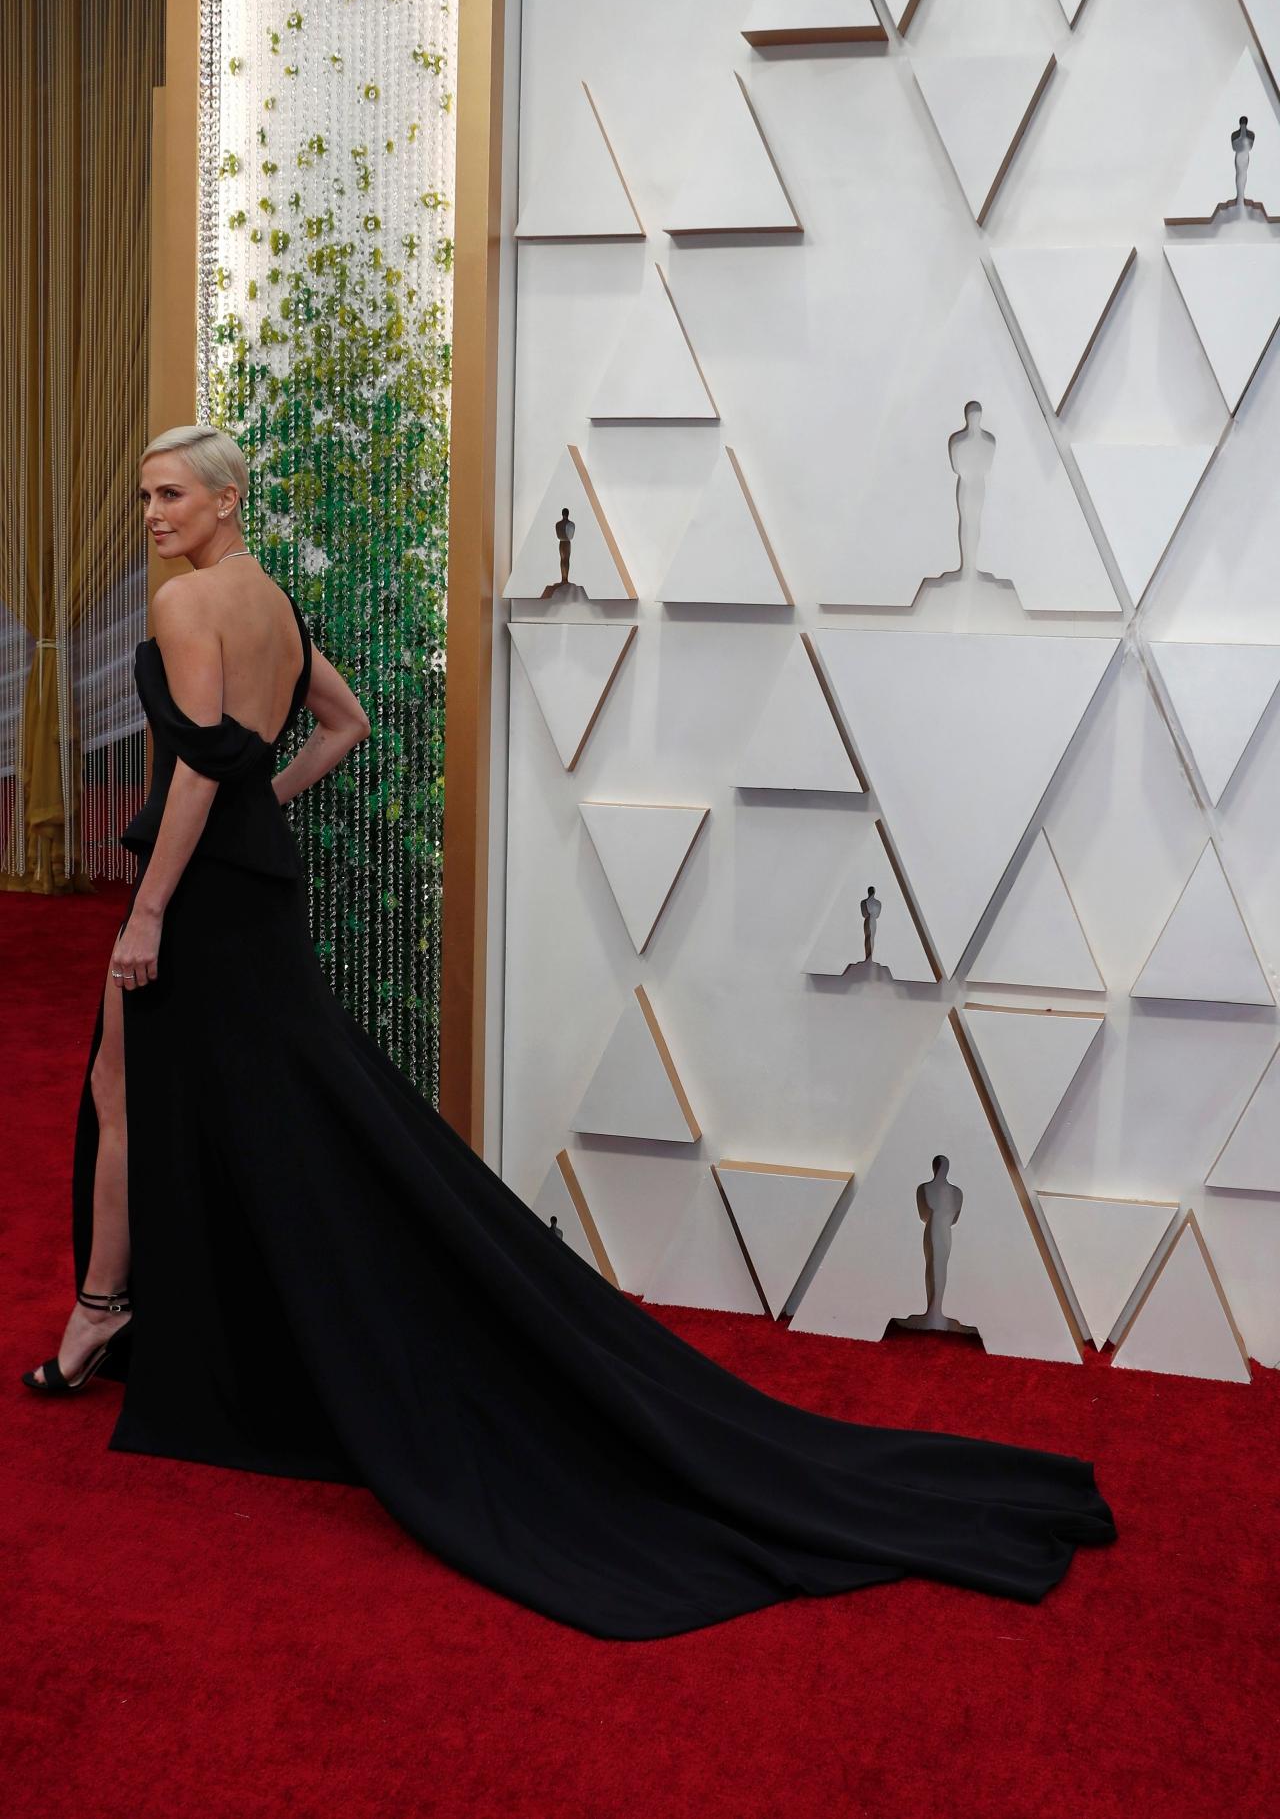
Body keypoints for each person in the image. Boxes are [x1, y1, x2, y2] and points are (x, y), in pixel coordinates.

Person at [22, 425, 1117, 1641]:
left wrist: (153, 905)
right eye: (144, 494)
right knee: (229, 1097)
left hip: (197, 896)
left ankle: (111, 1310)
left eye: (171, 493)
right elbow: (343, 722)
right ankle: (129, 1308)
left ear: (227, 499)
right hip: (252, 888)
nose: (152, 513)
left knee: (163, 1097)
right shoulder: (270, 600)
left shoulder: (187, 606)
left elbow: (192, 774)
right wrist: (257, 814)